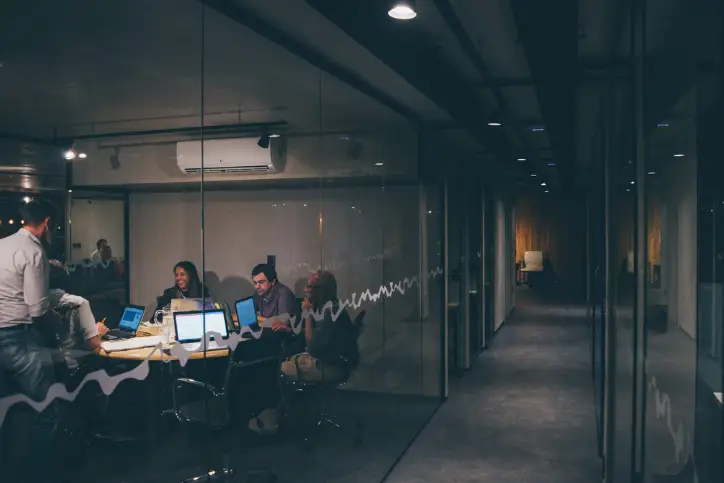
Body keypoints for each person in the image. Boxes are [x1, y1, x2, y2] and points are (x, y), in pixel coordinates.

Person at [0, 199, 62, 482]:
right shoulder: (34, 251)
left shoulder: (3, 245)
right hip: (20, 337)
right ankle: (39, 474)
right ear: (47, 223)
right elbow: (37, 308)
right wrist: (59, 327)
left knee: (9, 410)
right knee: (45, 408)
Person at [281, 271, 359, 383]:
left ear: (322, 291)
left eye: (309, 287)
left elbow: (313, 346)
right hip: (325, 362)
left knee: (277, 371)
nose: (305, 291)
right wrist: (291, 330)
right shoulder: (326, 307)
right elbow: (317, 334)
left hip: (330, 368)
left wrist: (307, 314)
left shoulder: (331, 312)